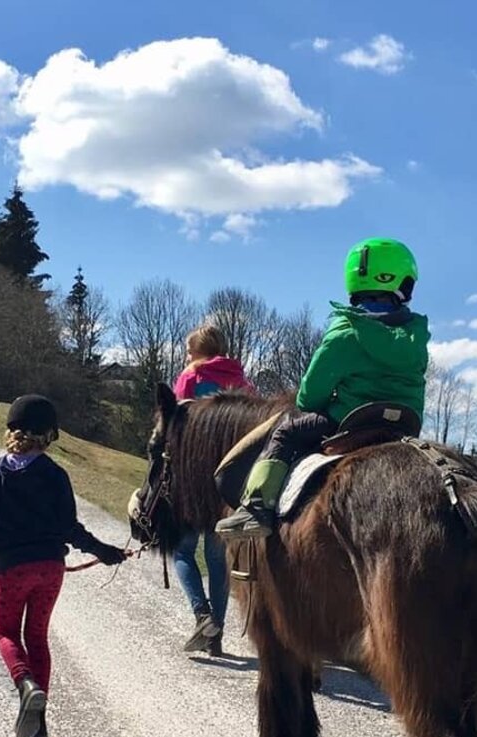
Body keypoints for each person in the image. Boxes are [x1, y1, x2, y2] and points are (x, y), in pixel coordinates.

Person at [217, 238, 429, 539]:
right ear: (402, 284)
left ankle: (256, 508)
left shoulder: (344, 334)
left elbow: (308, 396)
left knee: (286, 433)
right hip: (404, 427)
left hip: (349, 421)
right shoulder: (416, 337)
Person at [0, 395, 128, 737]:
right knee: (36, 637)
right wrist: (105, 551)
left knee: (5, 633)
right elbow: (70, 527)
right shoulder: (55, 474)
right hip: (50, 569)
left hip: (13, 570)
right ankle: (39, 724)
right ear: (50, 435)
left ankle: (25, 684)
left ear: (11, 430)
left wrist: (2, 541)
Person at [171, 323, 252, 653]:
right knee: (218, 561)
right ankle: (215, 634)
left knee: (182, 550)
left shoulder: (191, 377)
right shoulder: (244, 384)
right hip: (228, 483)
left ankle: (201, 613)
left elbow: (175, 427)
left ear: (200, 351)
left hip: (193, 478)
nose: (188, 356)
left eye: (190, 351)